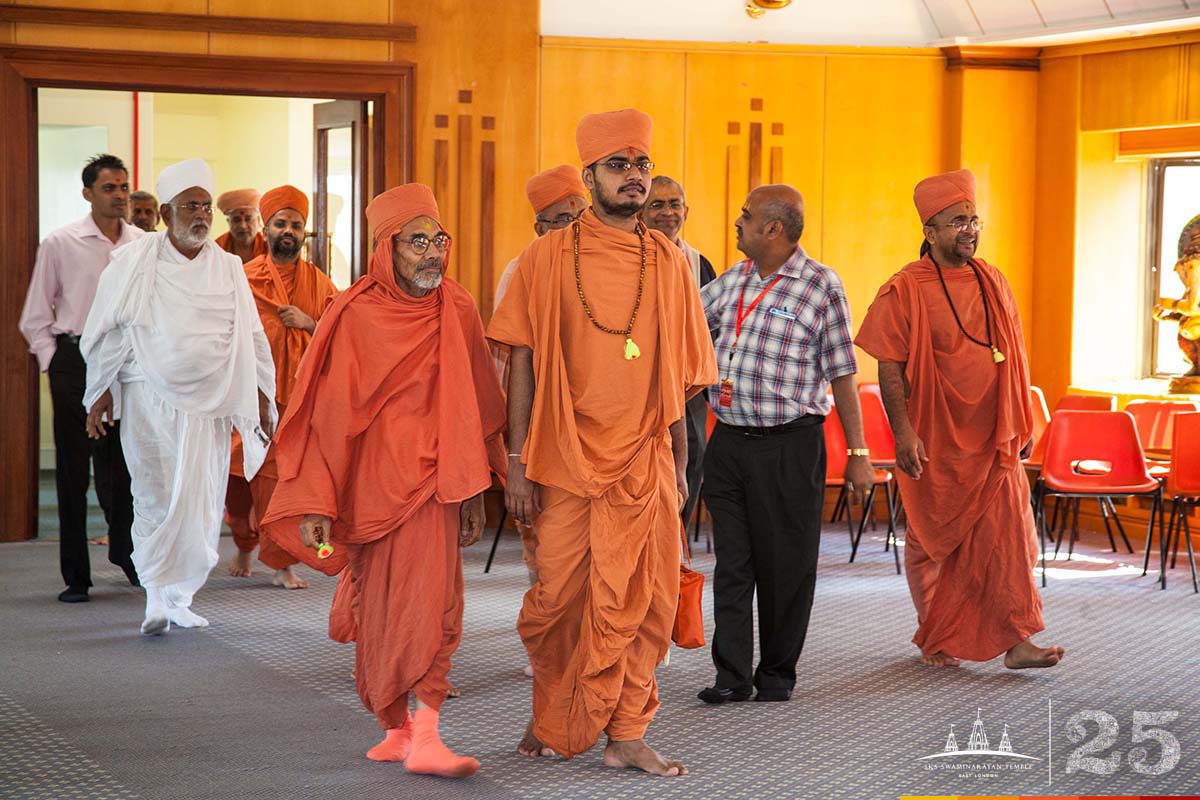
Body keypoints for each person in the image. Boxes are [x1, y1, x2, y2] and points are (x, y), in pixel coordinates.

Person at [488, 108, 715, 776]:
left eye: (640, 164)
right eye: (618, 166)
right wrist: (518, 459)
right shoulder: (545, 257)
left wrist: (678, 463)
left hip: (644, 463)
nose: (633, 177)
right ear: (589, 176)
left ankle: (626, 734)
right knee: (557, 604)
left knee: (645, 604)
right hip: (561, 458)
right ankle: (553, 717)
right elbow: (522, 362)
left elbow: (678, 374)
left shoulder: (670, 262)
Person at [259, 184, 505, 778]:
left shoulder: (460, 307)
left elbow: (477, 404)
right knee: (379, 610)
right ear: (385, 248)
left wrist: (473, 488)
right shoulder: (353, 314)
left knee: (434, 607)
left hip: (435, 486)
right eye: (416, 241)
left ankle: (425, 735)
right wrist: (316, 496)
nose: (431, 254)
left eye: (437, 240)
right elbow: (324, 415)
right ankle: (397, 729)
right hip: (371, 490)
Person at [854, 168, 1064, 670]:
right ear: (930, 232)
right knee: (933, 541)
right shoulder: (903, 289)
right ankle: (940, 634)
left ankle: (1017, 642)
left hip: (995, 437)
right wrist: (903, 433)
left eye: (974, 220)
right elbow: (889, 366)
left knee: (1008, 539)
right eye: (957, 222)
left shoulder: (992, 280)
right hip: (935, 438)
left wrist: (1022, 419)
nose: (969, 230)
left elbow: (1014, 354)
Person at [81, 158, 276, 636]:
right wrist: (100, 390)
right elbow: (107, 331)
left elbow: (251, 337)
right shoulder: (132, 264)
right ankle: (154, 594)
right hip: (148, 396)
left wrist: (263, 397)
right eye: (191, 206)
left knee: (201, 503)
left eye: (207, 207)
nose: (202, 216)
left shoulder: (229, 268)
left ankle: (181, 597)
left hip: (210, 405)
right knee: (153, 496)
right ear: (166, 212)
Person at [697, 184, 873, 706]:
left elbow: (843, 374)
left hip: (790, 447)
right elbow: (683, 329)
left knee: (785, 567)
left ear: (773, 228)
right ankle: (731, 675)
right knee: (732, 565)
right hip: (728, 444)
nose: (738, 222)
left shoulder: (821, 287)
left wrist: (859, 454)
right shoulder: (731, 282)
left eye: (746, 216)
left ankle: (776, 674)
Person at [19, 153, 141, 602]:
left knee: (124, 470)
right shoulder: (61, 242)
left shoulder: (142, 243)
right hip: (75, 360)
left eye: (124, 187)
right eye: (109, 188)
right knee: (74, 471)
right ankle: (76, 577)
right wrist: (55, 364)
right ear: (88, 194)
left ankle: (127, 555)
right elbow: (35, 315)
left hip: (126, 365)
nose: (120, 196)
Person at [492, 164, 588, 655]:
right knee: (546, 549)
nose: (572, 227)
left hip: (599, 432)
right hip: (542, 433)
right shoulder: (524, 268)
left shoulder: (607, 263)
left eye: (579, 214)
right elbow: (509, 364)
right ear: (539, 228)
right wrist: (516, 452)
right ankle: (549, 649)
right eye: (559, 219)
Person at [225, 185, 337, 590]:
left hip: (297, 402)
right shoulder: (242, 278)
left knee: (280, 481)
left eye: (296, 225)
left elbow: (346, 335)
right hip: (247, 398)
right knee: (237, 481)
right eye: (280, 223)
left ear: (304, 233)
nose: (288, 230)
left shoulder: (320, 283)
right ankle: (244, 541)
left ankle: (282, 559)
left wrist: (311, 323)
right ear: (266, 230)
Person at [639, 175, 717, 526]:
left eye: (674, 204)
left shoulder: (699, 264)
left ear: (687, 210)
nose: (668, 212)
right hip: (638, 390)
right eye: (657, 204)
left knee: (689, 465)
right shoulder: (627, 257)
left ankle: (674, 561)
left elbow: (712, 331)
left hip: (688, 391)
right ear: (640, 211)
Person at [215, 188, 266, 264]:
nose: (243, 226)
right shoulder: (217, 248)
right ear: (229, 222)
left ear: (258, 221)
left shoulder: (268, 246)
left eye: (248, 219)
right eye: (237, 220)